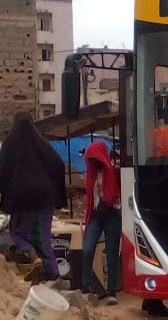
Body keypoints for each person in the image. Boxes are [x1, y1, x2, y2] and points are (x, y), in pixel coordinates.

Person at [0, 110, 66, 282]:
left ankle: (33, 257)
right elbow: (58, 164)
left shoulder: (8, 145)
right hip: (44, 198)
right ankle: (53, 273)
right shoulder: (41, 143)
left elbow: (2, 171)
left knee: (16, 233)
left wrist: (5, 196)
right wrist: (56, 192)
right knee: (43, 236)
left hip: (19, 199)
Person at [82, 141, 121, 304]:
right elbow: (91, 199)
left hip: (112, 214)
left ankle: (112, 292)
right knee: (88, 248)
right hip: (97, 215)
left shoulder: (114, 172)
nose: (93, 163)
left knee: (112, 254)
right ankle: (86, 285)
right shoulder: (91, 174)